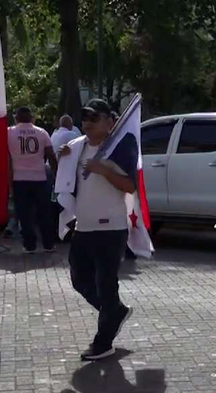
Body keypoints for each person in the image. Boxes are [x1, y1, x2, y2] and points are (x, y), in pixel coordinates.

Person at [57, 99, 137, 361]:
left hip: (110, 229)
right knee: (80, 280)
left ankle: (103, 342)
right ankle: (113, 312)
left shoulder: (117, 149)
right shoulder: (77, 148)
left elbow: (129, 186)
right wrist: (62, 159)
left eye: (94, 117)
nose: (88, 122)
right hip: (83, 226)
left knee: (106, 285)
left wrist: (102, 169)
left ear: (109, 122)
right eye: (85, 117)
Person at [8, 107, 58, 254]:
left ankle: (29, 245)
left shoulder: (9, 133)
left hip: (19, 179)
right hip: (39, 178)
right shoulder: (42, 133)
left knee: (24, 214)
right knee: (44, 213)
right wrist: (57, 175)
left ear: (16, 118)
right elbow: (51, 156)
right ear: (32, 118)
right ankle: (48, 244)